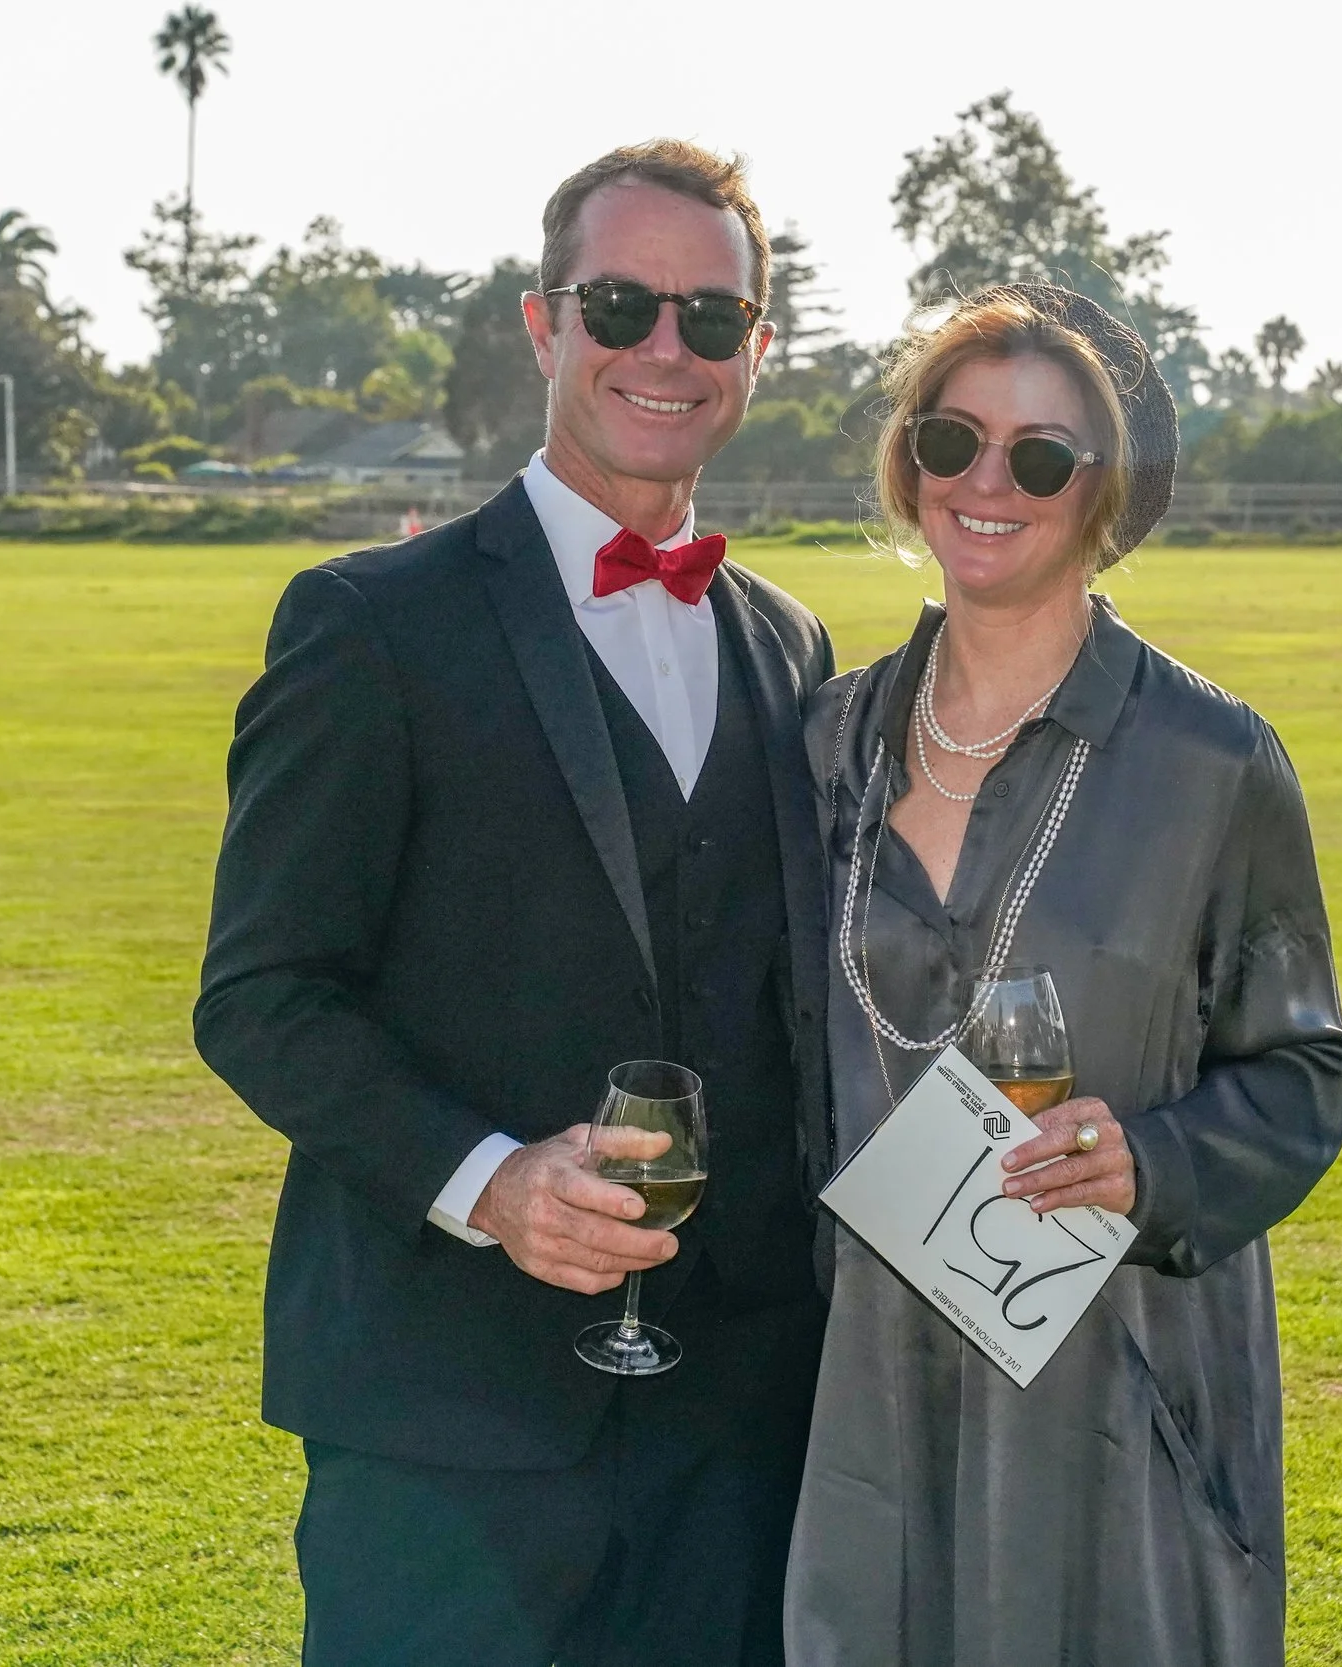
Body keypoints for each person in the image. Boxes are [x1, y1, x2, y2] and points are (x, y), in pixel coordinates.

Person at [194, 140, 836, 1667]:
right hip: (444, 1421)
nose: (662, 349)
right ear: (544, 327)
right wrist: (488, 1181)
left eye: (708, 316)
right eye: (620, 305)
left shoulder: (793, 646)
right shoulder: (368, 623)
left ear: (760, 346)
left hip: (730, 1428)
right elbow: (262, 995)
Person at [784, 285, 1342, 1666]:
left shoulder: (1212, 763)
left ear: (1104, 496)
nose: (990, 483)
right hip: (867, 1382)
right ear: (907, 464)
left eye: (1041, 456)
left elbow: (1304, 1068)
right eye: (952, 440)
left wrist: (1151, 1160)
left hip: (1117, 1378)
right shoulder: (824, 744)